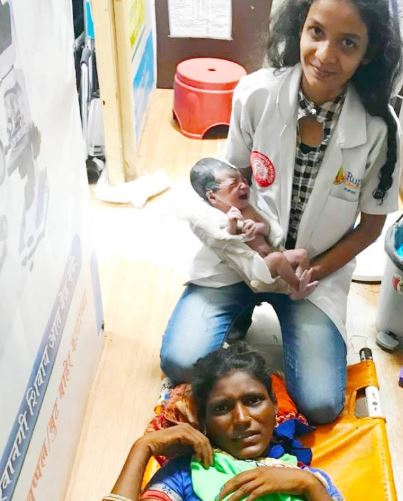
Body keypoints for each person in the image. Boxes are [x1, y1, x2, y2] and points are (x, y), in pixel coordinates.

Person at [160, 0, 402, 424]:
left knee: (322, 404)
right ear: (299, 29)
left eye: (348, 43)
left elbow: (372, 226)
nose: (325, 55)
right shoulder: (256, 93)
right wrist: (257, 254)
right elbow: (230, 180)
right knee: (180, 361)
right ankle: (238, 311)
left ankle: (265, 310)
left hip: (313, 277)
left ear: (369, 53)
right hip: (241, 259)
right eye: (316, 32)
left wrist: (311, 271)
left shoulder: (381, 130)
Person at [104, 344, 342, 501]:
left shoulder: (308, 479)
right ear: (203, 421)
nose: (242, 419)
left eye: (253, 400)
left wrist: (307, 486)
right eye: (221, 408)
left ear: (275, 406)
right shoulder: (185, 475)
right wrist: (143, 447)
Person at [190, 157, 319, 300]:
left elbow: (266, 227)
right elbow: (228, 240)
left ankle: (299, 280)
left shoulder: (248, 209)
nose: (244, 186)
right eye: (234, 185)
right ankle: (297, 288)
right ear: (213, 197)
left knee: (302, 254)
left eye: (243, 181)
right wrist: (233, 225)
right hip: (259, 269)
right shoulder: (222, 218)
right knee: (277, 258)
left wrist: (258, 227)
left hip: (272, 255)